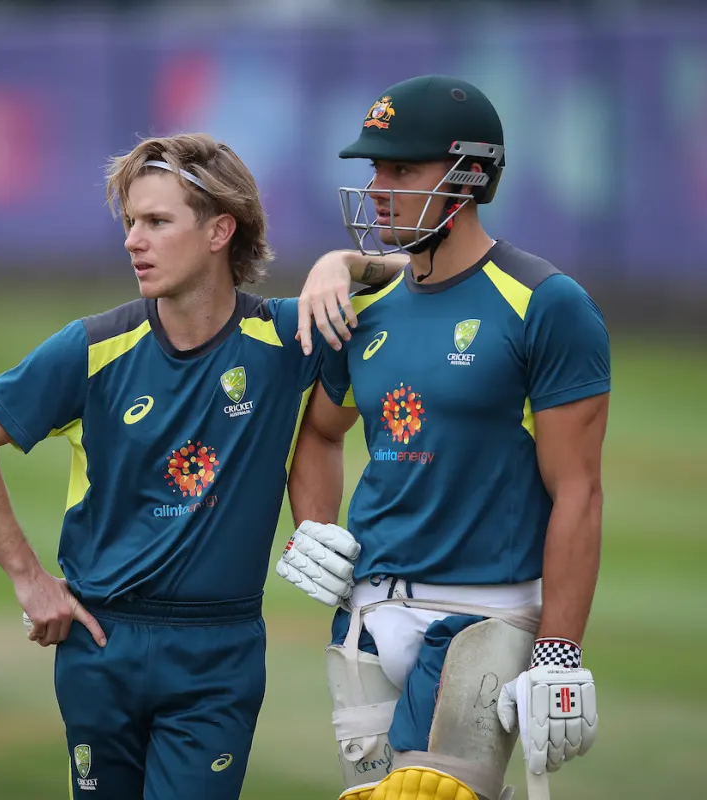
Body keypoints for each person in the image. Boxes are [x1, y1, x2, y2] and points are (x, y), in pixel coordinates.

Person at [0, 132, 399, 800]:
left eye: (156, 222)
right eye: (130, 223)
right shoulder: (93, 348)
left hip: (219, 653)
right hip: (101, 646)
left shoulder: (288, 337)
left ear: (219, 231)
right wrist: (30, 579)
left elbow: (422, 274)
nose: (133, 241)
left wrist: (342, 264)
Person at [275, 75, 610, 800]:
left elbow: (578, 489)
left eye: (400, 169)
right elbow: (320, 434)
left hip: (482, 616)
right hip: (363, 617)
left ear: (468, 177)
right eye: (373, 169)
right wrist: (314, 528)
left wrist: (558, 648)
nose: (376, 187)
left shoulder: (548, 305)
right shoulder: (363, 308)